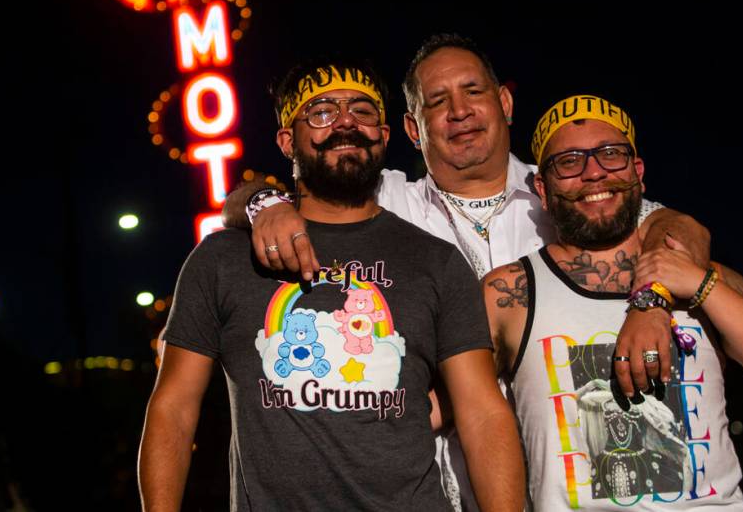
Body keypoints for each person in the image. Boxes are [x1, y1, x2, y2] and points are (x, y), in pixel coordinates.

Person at [229, 34, 711, 509]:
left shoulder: (567, 191)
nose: (459, 111)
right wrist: (262, 202)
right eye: (437, 101)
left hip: (578, 484)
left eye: (473, 92)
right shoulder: (387, 201)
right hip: (439, 488)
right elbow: (252, 202)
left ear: (503, 102)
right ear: (414, 129)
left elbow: (682, 232)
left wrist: (652, 299)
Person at [138, 59, 525, 511]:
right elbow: (174, 410)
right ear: (287, 140)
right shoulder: (224, 260)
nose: (345, 123)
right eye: (321, 112)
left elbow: (481, 413)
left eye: (362, 111)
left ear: (383, 134)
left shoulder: (436, 261)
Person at [481, 94, 743, 509]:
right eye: (569, 162)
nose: (594, 172)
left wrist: (685, 281)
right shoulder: (509, 293)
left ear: (638, 172)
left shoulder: (706, 277)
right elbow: (462, 410)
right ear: (543, 190)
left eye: (611, 155)